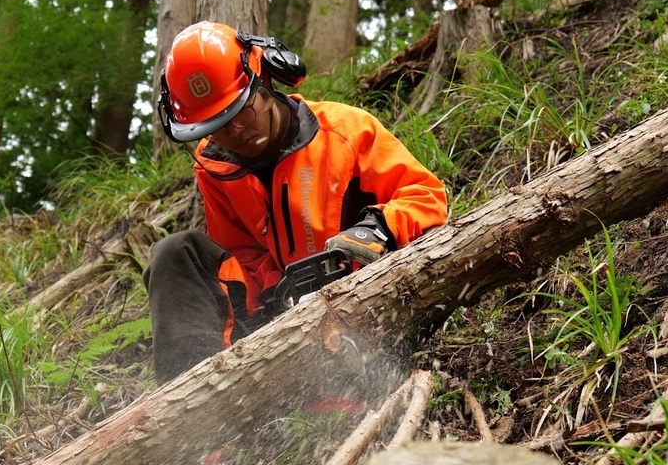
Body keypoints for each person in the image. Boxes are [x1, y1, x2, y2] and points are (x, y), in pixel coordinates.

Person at [143, 21, 448, 385]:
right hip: (279, 315)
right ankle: (194, 414)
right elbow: (242, 253)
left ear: (264, 79)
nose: (235, 133)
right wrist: (278, 290)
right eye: (218, 126)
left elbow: (426, 196)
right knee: (176, 253)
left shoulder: (345, 131)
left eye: (242, 112)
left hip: (363, 300)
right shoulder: (215, 165)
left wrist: (377, 228)